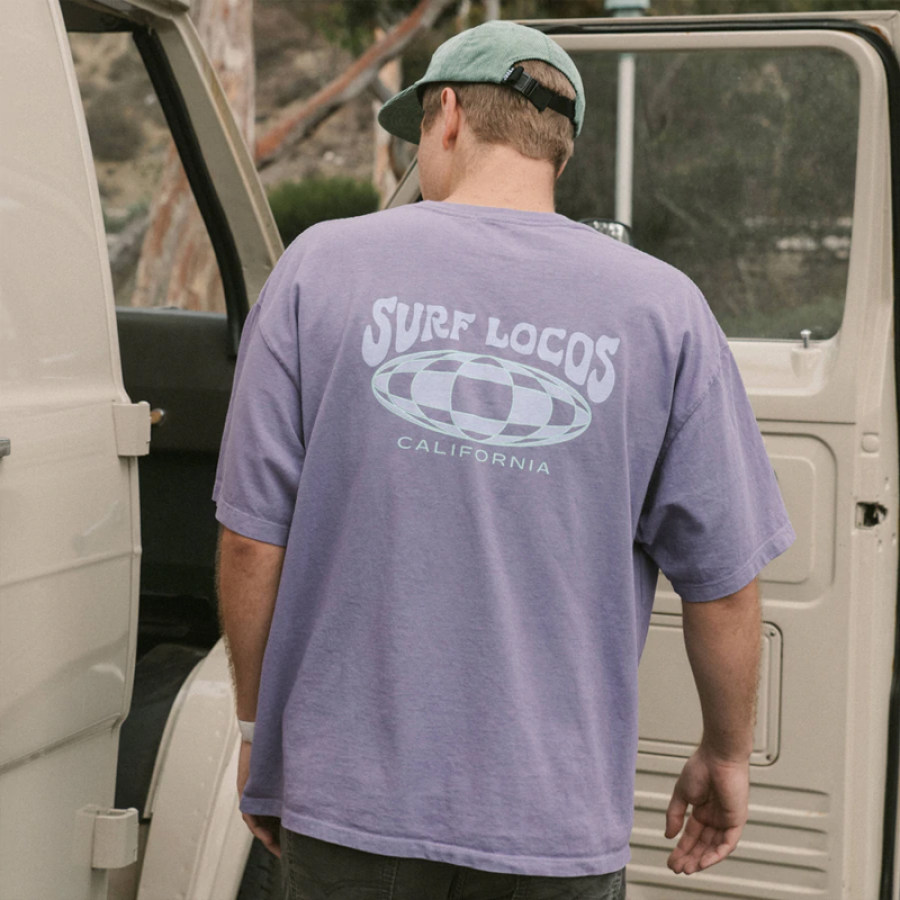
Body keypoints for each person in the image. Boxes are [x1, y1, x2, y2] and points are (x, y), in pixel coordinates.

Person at [214, 19, 794, 899]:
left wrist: (261, 734)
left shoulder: (320, 268)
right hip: (553, 820)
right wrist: (726, 753)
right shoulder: (664, 309)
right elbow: (723, 583)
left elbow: (252, 541)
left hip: (348, 802)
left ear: (447, 114)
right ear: (560, 147)